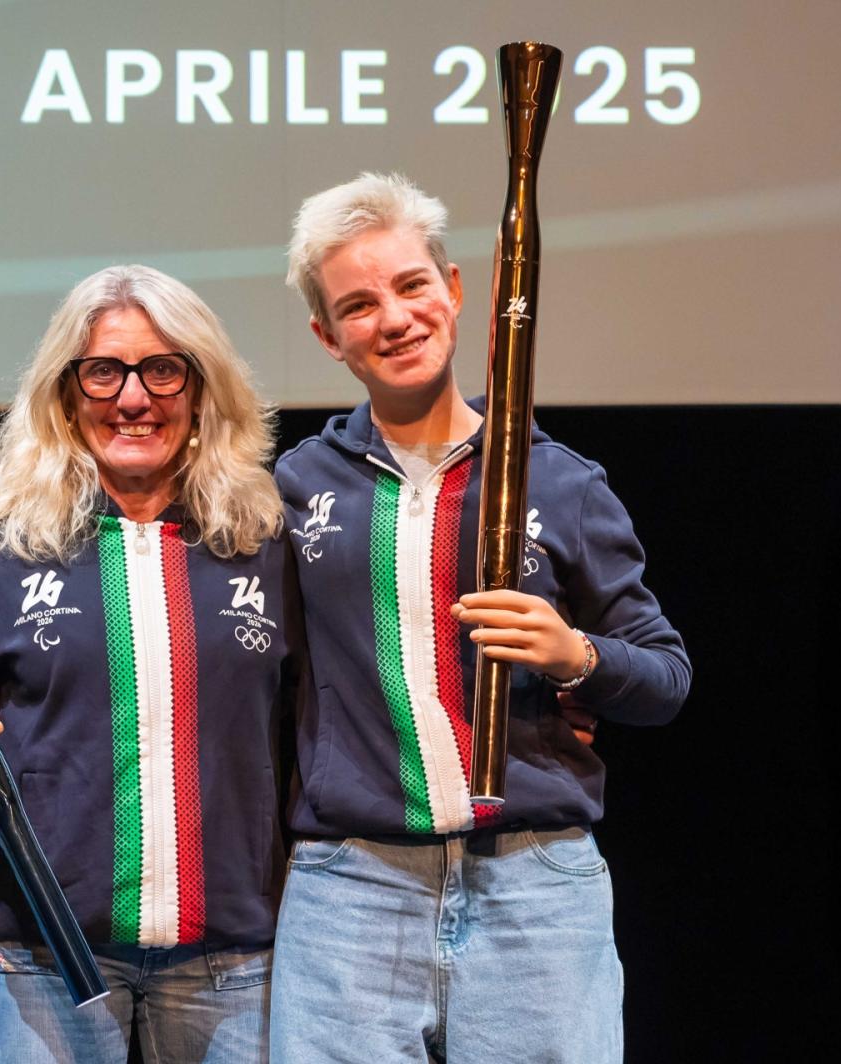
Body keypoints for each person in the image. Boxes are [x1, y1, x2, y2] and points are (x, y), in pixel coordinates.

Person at [269, 173, 691, 1063]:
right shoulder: (294, 490)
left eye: (413, 285)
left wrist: (576, 656)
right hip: (351, 887)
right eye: (358, 304)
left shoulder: (562, 481)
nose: (395, 317)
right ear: (328, 337)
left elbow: (664, 675)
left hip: (536, 880)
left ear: (456, 292)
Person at [0, 265, 293, 1064]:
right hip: (46, 959)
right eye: (103, 371)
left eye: (162, 368)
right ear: (66, 392)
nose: (133, 397)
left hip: (234, 961)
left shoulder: (263, 536)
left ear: (199, 388)